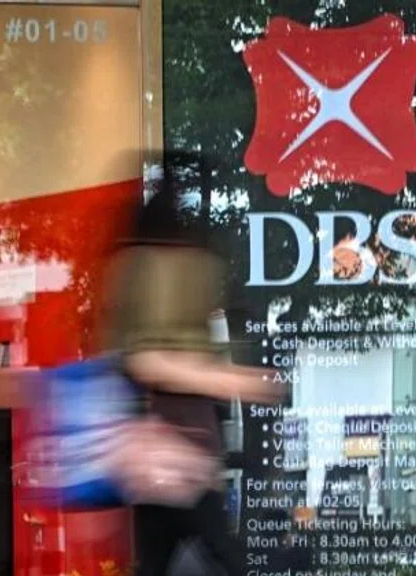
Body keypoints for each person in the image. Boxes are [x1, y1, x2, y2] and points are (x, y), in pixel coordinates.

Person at [103, 154, 281, 575]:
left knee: (163, 554)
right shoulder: (184, 264)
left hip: (155, 440)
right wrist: (221, 379)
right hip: (185, 438)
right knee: (216, 552)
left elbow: (128, 353)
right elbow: (151, 358)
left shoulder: (130, 266)